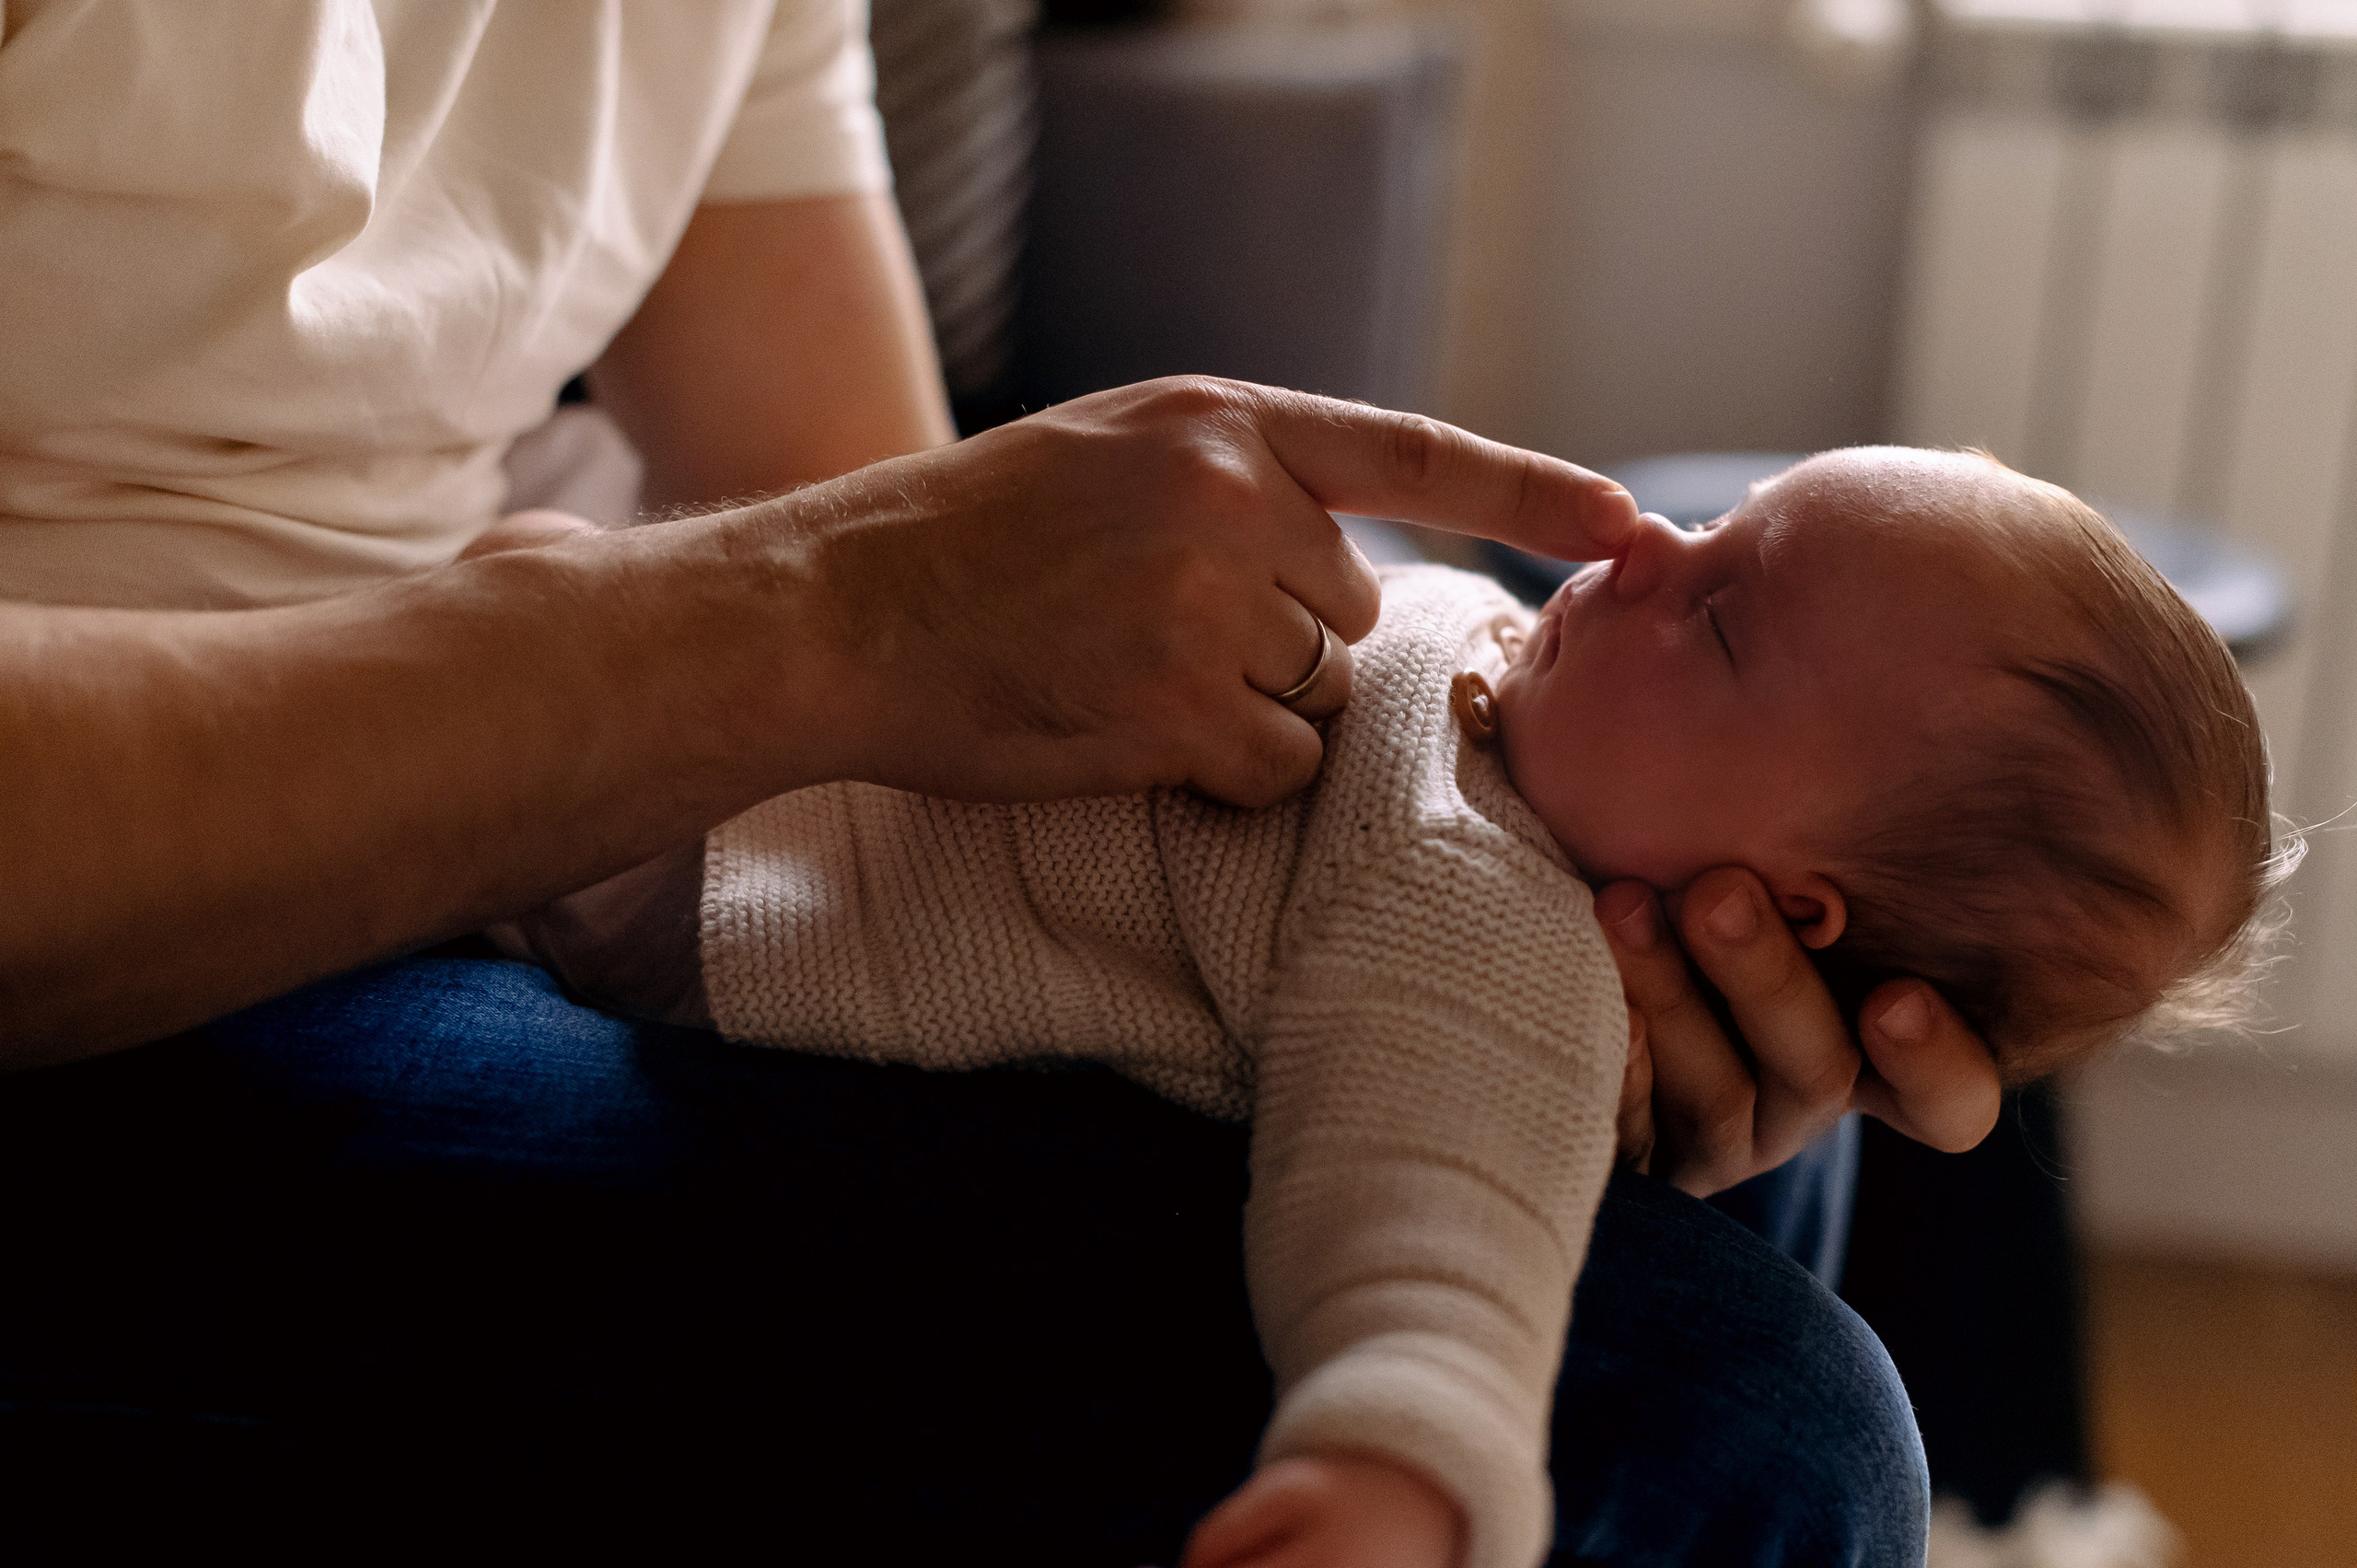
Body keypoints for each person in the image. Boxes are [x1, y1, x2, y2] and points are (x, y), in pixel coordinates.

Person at [0, 4, 2005, 1561]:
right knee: (1748, 1427)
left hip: (523, 786)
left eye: (1716, 607)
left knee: (1721, 1122)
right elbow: (853, 588)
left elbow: (877, 542)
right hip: (137, 929)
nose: (1634, 558)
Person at [505, 447, 2285, 1568]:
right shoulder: (1524, 716)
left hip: (707, 900)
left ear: (1789, 899)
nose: (1645, 547)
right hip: (774, 792)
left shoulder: (1482, 907)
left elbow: (1432, 1218)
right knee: (1770, 1282)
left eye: (1724, 617)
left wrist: (1395, 1476)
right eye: (1715, 526)